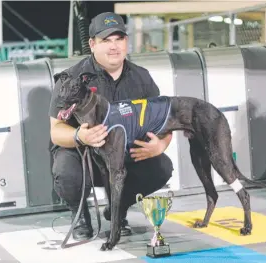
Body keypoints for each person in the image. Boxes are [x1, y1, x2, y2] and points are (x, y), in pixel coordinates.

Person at [48, 11, 174, 241]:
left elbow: (164, 120)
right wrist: (79, 135)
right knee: (66, 172)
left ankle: (118, 210)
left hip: (121, 156)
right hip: (84, 156)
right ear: (92, 44)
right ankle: (81, 215)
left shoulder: (142, 77)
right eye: (106, 40)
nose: (114, 46)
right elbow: (56, 130)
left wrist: (161, 144)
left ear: (127, 42)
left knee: (162, 167)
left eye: (119, 39)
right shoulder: (71, 78)